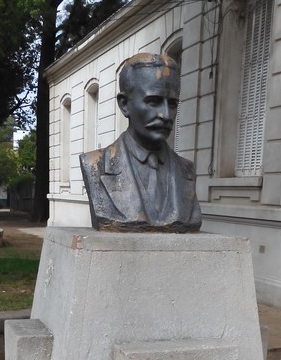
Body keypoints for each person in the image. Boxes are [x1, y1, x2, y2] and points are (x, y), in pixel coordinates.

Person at [80, 53, 202, 232]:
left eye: (172, 104)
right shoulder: (94, 165)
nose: (166, 115)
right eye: (153, 102)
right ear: (124, 105)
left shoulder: (187, 171)